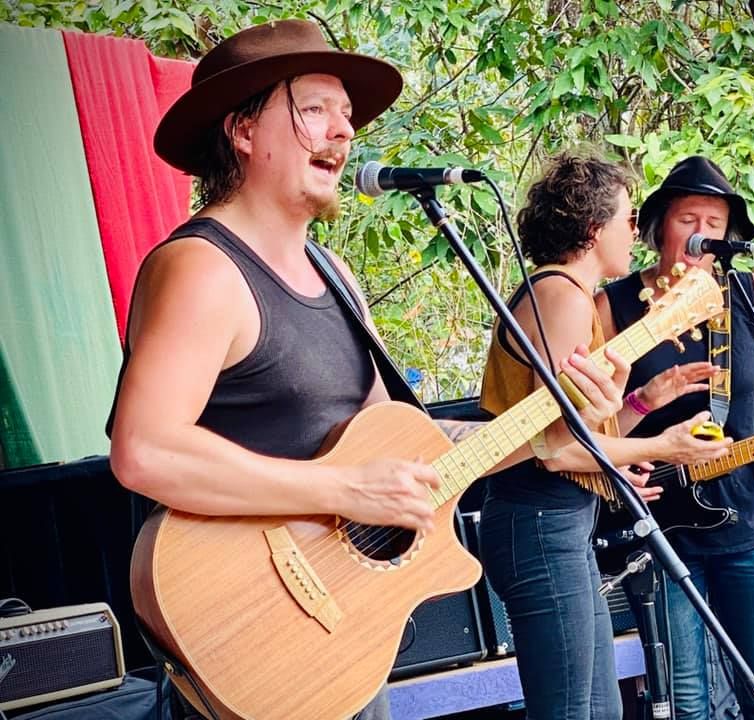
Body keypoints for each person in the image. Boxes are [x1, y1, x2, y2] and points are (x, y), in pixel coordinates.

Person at [106, 20, 629, 719]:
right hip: (248, 631)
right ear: (243, 131)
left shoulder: (336, 275)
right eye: (315, 109)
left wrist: (555, 425)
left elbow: (413, 449)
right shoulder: (203, 268)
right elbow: (145, 451)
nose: (343, 131)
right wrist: (344, 488)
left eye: (347, 114)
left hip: (343, 634)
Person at [477, 151, 734, 720]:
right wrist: (664, 447)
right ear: (594, 229)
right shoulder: (563, 296)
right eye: (627, 218)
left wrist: (642, 401)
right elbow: (556, 449)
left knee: (600, 709)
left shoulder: (567, 295)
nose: (635, 233)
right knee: (572, 710)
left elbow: (576, 433)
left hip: (556, 521)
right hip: (537, 519)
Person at [595, 155, 754, 720]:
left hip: (753, 521)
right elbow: (596, 427)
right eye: (688, 220)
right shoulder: (612, 306)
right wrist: (647, 407)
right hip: (661, 527)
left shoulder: (753, 294)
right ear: (659, 226)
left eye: (714, 223)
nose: (701, 234)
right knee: (687, 701)